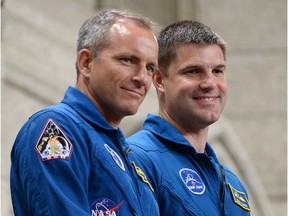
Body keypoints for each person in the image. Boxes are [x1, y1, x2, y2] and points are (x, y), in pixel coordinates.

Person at [10, 9, 159, 215]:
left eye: (150, 68)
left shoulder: (131, 162)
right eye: (128, 60)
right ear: (86, 63)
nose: (142, 78)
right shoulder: (57, 128)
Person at [127, 20, 252, 215]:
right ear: (159, 80)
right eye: (193, 71)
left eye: (217, 71)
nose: (210, 83)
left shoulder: (231, 184)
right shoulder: (136, 159)